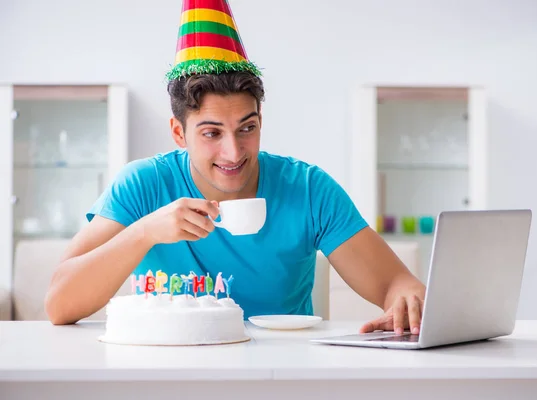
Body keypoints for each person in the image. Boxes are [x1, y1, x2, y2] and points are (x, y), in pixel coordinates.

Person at [45, 0, 426, 334]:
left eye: (247, 128)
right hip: (168, 373)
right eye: (212, 133)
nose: (233, 152)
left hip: (282, 375)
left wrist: (409, 299)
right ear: (179, 132)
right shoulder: (143, 185)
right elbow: (59, 304)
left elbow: (396, 284)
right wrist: (145, 232)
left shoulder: (309, 189)